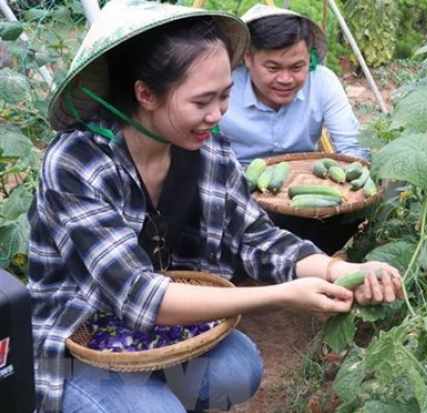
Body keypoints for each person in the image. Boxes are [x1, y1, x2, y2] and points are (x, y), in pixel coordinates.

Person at [27, 1, 403, 412]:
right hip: (80, 337)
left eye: (225, 96)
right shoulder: (79, 161)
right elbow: (138, 294)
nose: (217, 113)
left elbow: (256, 239)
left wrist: (340, 270)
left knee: (239, 369)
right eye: (202, 100)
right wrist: (280, 295)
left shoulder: (206, 148)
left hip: (161, 324)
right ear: (145, 93)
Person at [219, 4, 370, 256]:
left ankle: (305, 266)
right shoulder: (225, 87)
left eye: (297, 67)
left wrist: (353, 181)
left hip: (305, 193)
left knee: (351, 213)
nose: (286, 79)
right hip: (239, 197)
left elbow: (353, 148)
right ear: (248, 58)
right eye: (273, 68)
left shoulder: (322, 82)